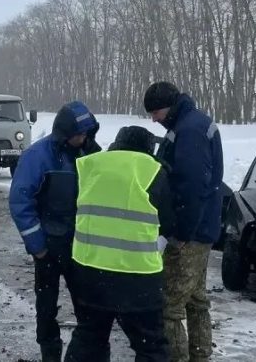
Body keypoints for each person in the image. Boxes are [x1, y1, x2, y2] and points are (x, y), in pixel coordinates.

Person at [65, 126, 175, 362]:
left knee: (89, 335)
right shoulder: (152, 170)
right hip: (137, 276)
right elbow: (169, 222)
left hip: (89, 270)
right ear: (148, 147)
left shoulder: (89, 165)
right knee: (150, 345)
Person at [8, 101, 101, 362]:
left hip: (81, 248)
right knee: (46, 309)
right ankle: (50, 354)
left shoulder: (90, 154)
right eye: (78, 135)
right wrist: (37, 246)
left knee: (87, 306)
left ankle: (83, 354)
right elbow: (20, 201)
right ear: (64, 133)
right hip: (48, 248)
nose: (82, 139)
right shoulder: (37, 156)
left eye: (86, 134)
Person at [144, 82, 223, 362]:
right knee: (196, 300)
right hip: (203, 228)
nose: (154, 118)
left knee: (170, 306)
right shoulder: (194, 123)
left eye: (156, 112)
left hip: (191, 232)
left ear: (170, 106)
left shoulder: (189, 131)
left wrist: (182, 233)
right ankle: (200, 357)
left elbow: (191, 188)